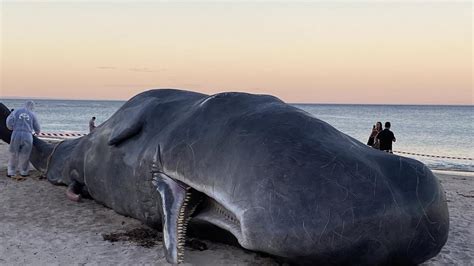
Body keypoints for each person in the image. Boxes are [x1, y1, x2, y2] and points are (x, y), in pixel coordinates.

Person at [6, 101, 41, 178]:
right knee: (25, 154)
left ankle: (11, 171)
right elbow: (37, 125)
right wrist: (37, 131)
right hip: (27, 135)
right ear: (32, 107)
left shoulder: (16, 111)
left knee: (13, 153)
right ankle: (24, 172)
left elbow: (9, 121)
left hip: (16, 134)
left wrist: (11, 127)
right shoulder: (32, 114)